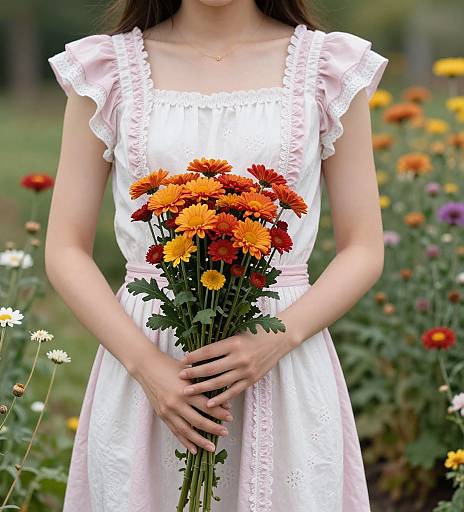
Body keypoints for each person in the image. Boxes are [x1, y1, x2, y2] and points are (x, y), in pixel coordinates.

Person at [46, 0, 388, 510]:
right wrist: (147, 368)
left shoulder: (328, 68)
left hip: (284, 357)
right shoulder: (108, 70)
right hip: (147, 362)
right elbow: (64, 249)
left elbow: (364, 248)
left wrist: (274, 341)